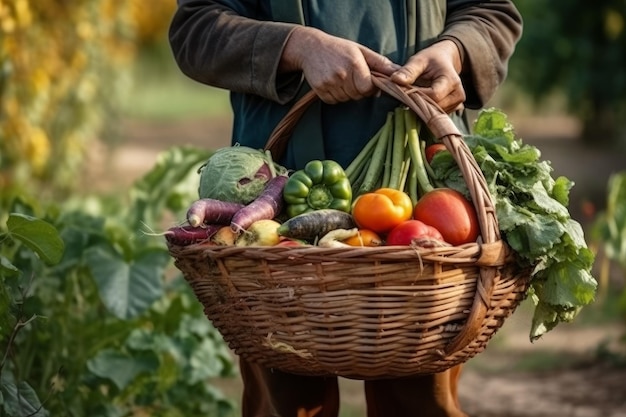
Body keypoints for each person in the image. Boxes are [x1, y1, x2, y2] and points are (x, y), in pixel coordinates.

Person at [169, 1, 522, 416]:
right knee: (288, 403)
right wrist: (296, 46)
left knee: (421, 402)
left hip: (424, 196)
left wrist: (455, 50)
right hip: (276, 196)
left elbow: (491, 11)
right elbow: (197, 24)